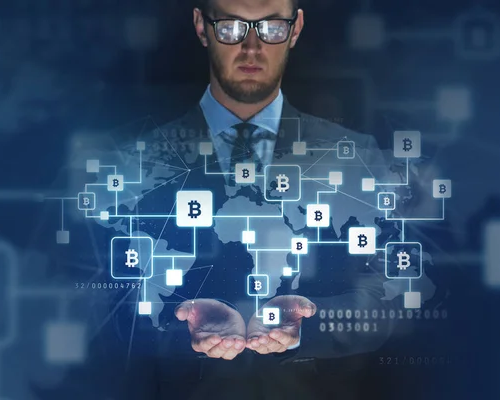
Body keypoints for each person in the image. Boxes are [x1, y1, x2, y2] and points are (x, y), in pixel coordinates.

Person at [147, 0, 399, 366]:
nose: (252, 48)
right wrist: (175, 321)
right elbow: (103, 302)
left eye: (272, 28)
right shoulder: (141, 160)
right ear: (202, 26)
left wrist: (306, 325)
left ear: (295, 29)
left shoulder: (356, 155)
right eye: (232, 27)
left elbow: (386, 293)